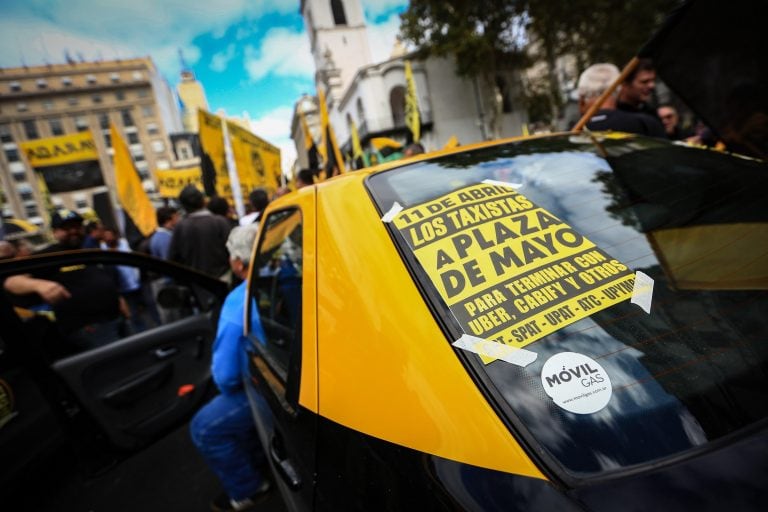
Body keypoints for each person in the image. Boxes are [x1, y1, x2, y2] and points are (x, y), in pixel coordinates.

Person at [190, 224, 271, 512]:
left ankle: (248, 489)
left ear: (238, 263)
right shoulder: (291, 277)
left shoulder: (238, 304)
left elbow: (225, 376)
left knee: (204, 428)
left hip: (268, 388)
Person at [3, 209, 126, 349]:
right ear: (55, 232)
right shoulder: (47, 256)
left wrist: (119, 300)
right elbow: (11, 281)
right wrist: (37, 284)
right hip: (89, 327)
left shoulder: (87, 251)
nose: (73, 231)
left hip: (115, 318)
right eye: (67, 228)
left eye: (77, 226)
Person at [576, 63, 666, 137]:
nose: (651, 86)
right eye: (644, 82)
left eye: (653, 81)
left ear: (582, 99)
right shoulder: (646, 124)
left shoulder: (575, 134)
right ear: (621, 87)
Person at [169, 185, 233, 280]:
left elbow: (174, 258)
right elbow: (233, 251)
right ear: (203, 201)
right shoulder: (220, 222)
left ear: (183, 206)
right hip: (223, 279)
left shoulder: (180, 227)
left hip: (195, 283)